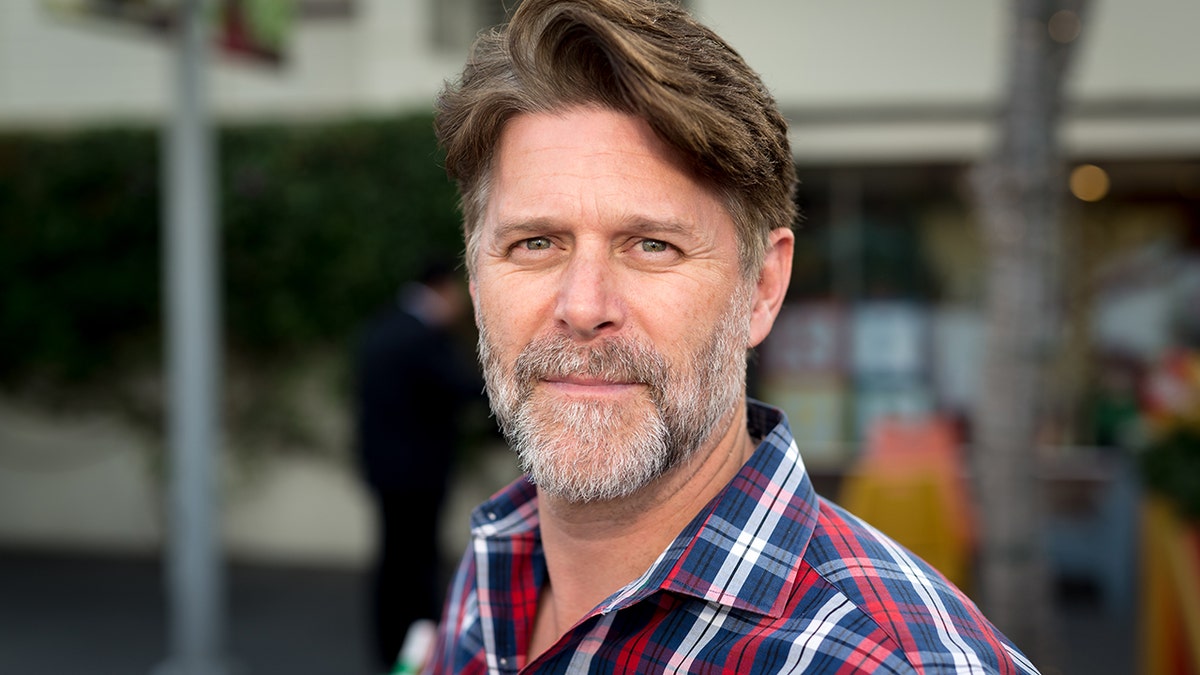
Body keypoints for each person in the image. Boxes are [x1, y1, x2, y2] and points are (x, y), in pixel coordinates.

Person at [424, 0, 1040, 672]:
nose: (583, 305)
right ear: (477, 277)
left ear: (763, 287)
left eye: (652, 245)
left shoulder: (887, 661)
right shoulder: (491, 582)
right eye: (535, 242)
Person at [353, 259, 484, 671]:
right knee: (416, 563)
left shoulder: (384, 325)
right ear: (443, 287)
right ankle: (416, 648)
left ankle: (392, 644)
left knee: (396, 558)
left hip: (385, 467)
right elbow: (461, 388)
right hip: (417, 471)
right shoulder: (422, 337)